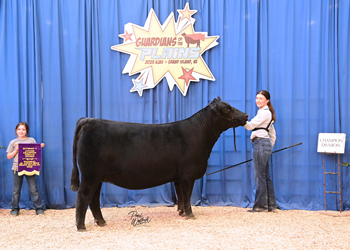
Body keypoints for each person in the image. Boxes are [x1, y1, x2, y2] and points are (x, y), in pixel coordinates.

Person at [244, 90, 277, 212]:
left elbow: (250, 126)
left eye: (261, 98)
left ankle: (260, 206)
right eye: (257, 98)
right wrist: (268, 147)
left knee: (260, 176)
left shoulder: (264, 113)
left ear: (267, 100)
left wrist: (239, 120)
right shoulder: (267, 114)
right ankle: (270, 205)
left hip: (260, 144)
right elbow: (273, 135)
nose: (258, 100)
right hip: (264, 144)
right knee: (265, 176)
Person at [6, 122, 45, 216]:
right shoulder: (13, 142)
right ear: (16, 131)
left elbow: (35, 153)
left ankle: (39, 208)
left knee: (33, 189)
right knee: (16, 190)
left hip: (30, 168)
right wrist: (16, 150)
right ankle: (14, 209)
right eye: (19, 129)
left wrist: (39, 147)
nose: (21, 131)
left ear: (26, 131)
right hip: (16, 168)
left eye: (23, 129)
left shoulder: (31, 140)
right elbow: (8, 156)